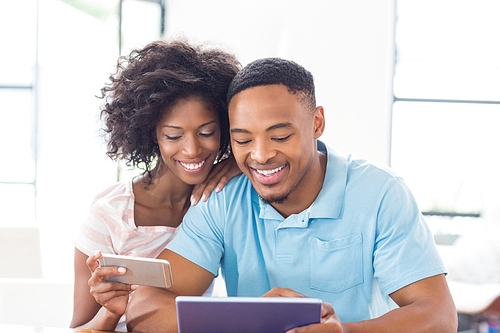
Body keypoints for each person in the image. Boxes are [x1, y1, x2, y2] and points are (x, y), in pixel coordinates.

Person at [125, 58, 458, 332]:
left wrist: (343, 332)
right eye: (242, 141)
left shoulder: (380, 192)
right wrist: (248, 319)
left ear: (316, 123)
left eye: (280, 136)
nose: (261, 155)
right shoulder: (222, 197)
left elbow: (438, 316)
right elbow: (144, 306)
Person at [70, 39, 241, 331]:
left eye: (207, 132)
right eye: (174, 136)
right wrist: (111, 312)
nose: (192, 150)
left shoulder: (222, 200)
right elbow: (79, 328)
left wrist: (241, 161)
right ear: (152, 135)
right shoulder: (110, 213)